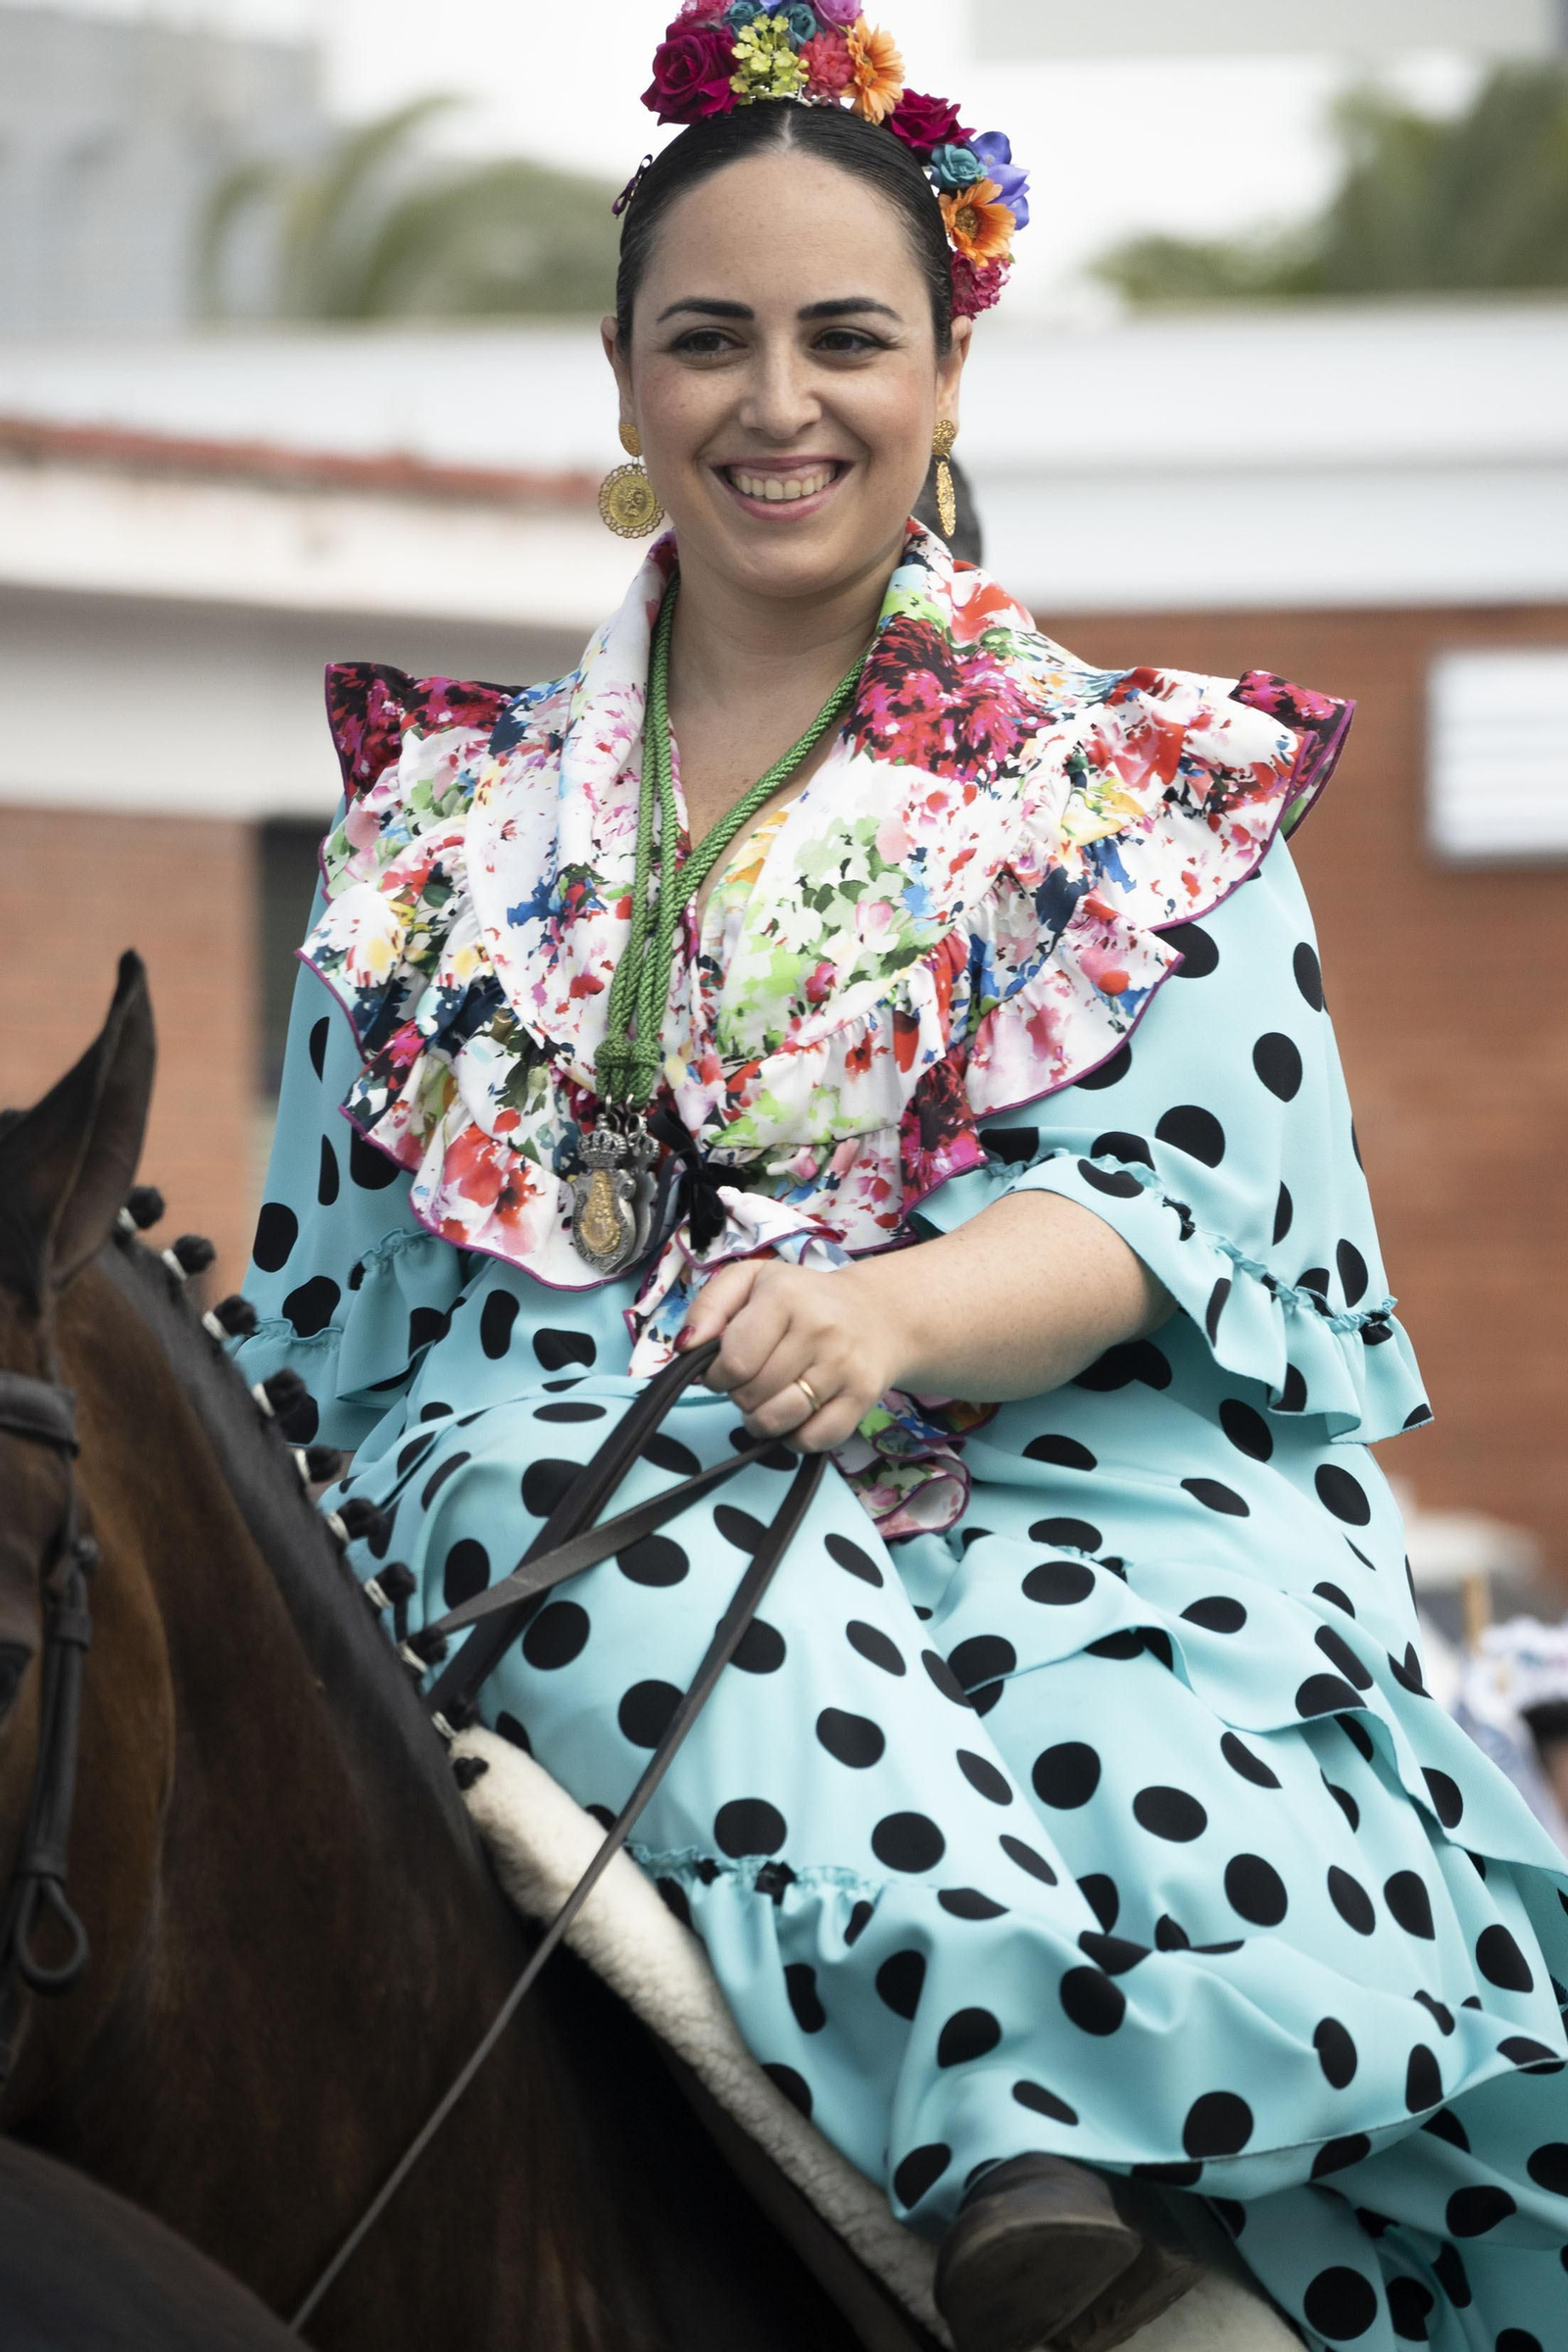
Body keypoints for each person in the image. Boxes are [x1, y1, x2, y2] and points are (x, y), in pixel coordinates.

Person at [236, 14, 1568, 2350]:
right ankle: (1021, 2117)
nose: (778, 404)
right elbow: (315, 1314)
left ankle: (1130, 2242)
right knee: (535, 1469)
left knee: (1194, 1806)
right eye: (708, 341)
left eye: (846, 338)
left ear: (950, 372)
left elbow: (1183, 1209)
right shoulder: (430, 842)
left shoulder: (1126, 798)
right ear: (624, 384)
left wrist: (889, 1319)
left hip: (1058, 1503)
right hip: (570, 1500)